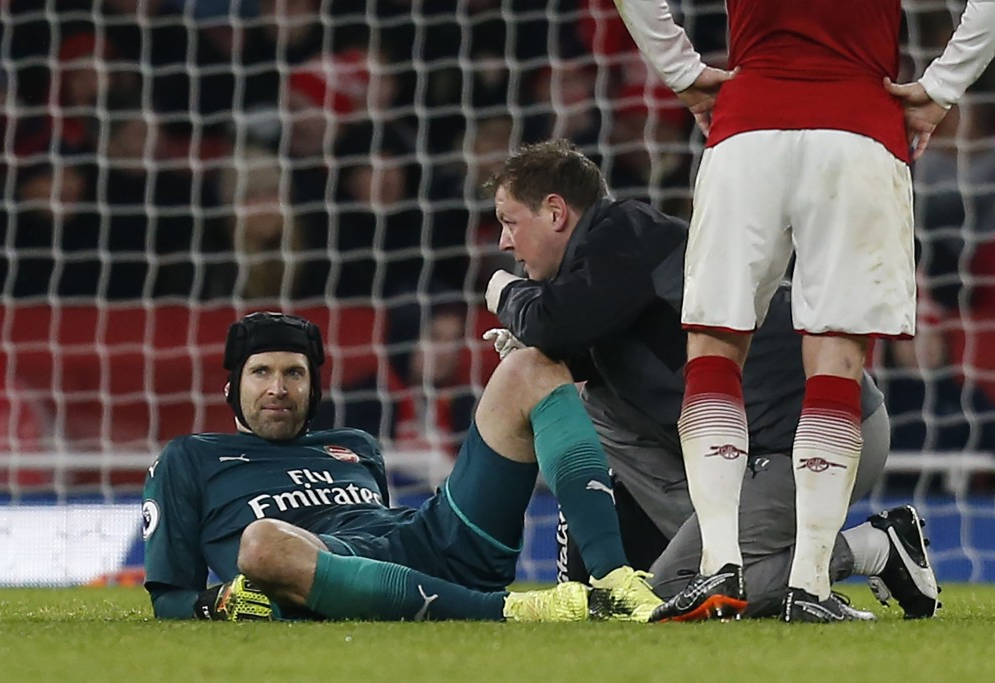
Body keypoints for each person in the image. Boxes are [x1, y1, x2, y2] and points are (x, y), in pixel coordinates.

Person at [609, 0, 995, 620]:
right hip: (859, 131)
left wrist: (679, 68)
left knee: (714, 344)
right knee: (836, 355)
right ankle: (809, 584)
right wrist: (943, 86)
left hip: (749, 127)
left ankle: (717, 569)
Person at [483, 139, 939, 621]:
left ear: (555, 212)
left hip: (820, 437)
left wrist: (504, 290)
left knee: (678, 592)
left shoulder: (623, 236)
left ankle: (876, 548)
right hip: (748, 449)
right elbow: (572, 339)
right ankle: (747, 562)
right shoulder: (606, 263)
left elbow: (552, 323)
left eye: (510, 222)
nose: (504, 243)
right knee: (592, 402)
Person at [142, 311, 663, 622]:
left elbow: (381, 527)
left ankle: (617, 580)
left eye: (294, 373)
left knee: (530, 365)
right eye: (261, 373)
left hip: (430, 541)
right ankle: (516, 611)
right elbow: (169, 597)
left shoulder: (355, 444)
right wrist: (216, 603)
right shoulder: (190, 457)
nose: (278, 388)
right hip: (326, 564)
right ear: (232, 388)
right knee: (260, 545)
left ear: (313, 387)